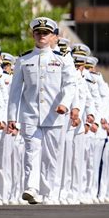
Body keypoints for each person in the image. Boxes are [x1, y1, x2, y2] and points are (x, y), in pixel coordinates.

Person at [7, 17, 76, 204]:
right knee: (31, 151)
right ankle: (32, 188)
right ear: (33, 35)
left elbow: (71, 85)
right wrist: (12, 117)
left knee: (51, 155)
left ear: (54, 36)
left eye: (45, 33)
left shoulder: (62, 60)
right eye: (38, 33)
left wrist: (65, 103)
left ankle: (49, 193)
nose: (41, 36)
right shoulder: (24, 59)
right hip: (30, 114)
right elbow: (15, 91)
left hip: (54, 115)